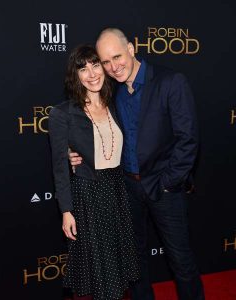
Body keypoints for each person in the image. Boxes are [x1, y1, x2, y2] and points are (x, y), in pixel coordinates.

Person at [69, 28, 205, 300]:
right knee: (135, 261)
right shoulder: (113, 92)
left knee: (181, 261)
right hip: (128, 188)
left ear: (131, 48)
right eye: (105, 62)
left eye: (117, 57)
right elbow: (106, 136)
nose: (112, 67)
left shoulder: (170, 82)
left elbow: (188, 140)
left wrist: (168, 183)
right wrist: (78, 154)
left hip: (164, 188)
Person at [48, 45, 139, 300]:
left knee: (119, 273)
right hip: (88, 196)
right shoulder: (62, 113)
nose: (91, 73)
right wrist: (66, 211)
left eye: (95, 65)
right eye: (83, 68)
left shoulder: (117, 103)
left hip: (118, 193)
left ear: (104, 67)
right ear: (74, 75)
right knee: (102, 274)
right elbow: (58, 167)